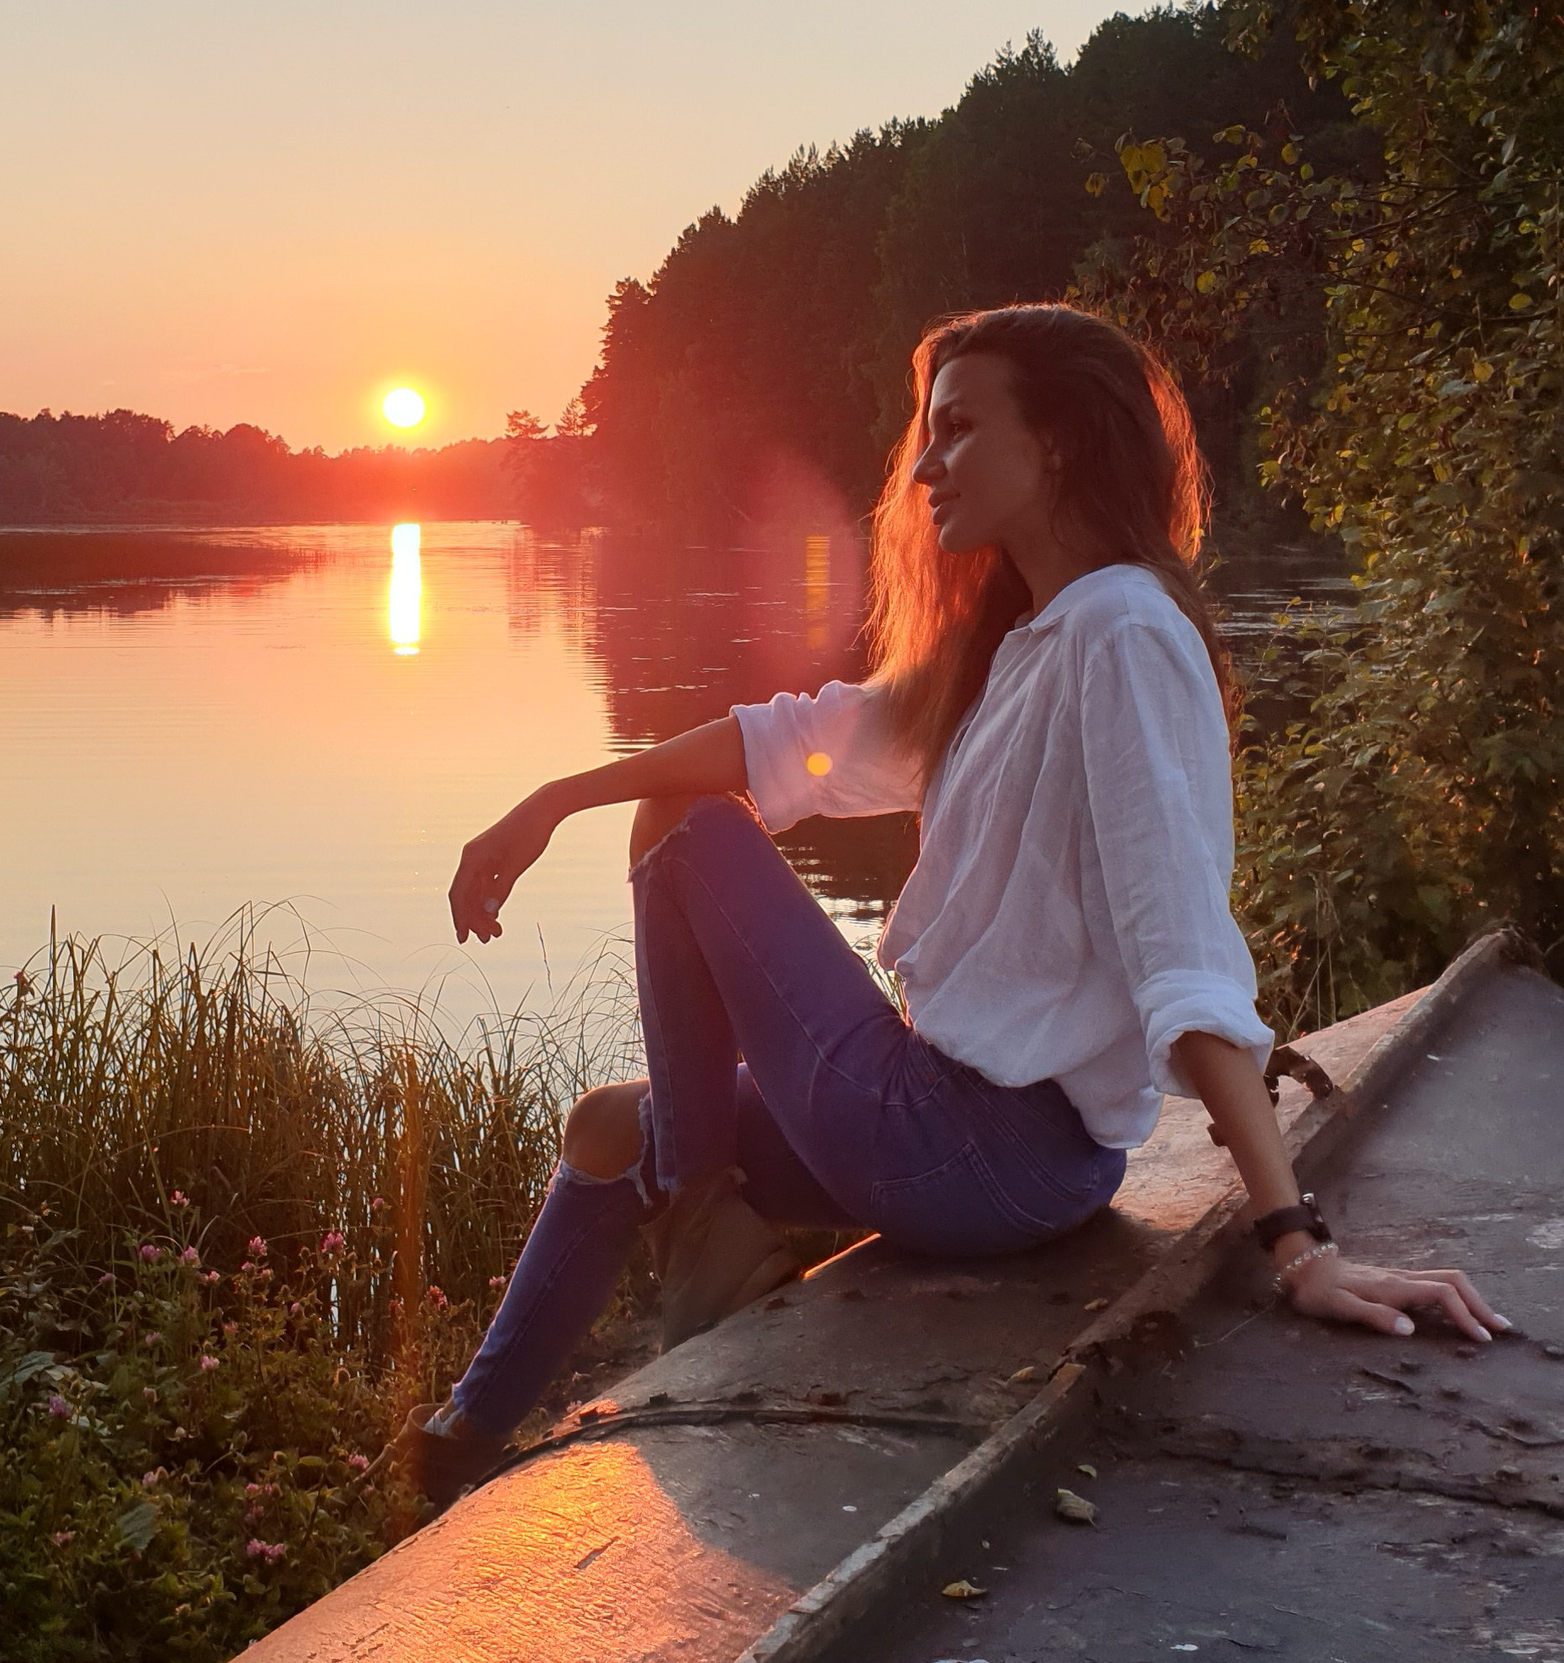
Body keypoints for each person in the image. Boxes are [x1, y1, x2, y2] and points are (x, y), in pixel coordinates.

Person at [398, 303, 1503, 1508]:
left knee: (681, 828)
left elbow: (1177, 948)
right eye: (928, 436)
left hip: (968, 1143)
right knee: (614, 1127)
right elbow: (801, 739)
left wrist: (1298, 1242)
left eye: (961, 428)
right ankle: (457, 1444)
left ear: (1064, 442)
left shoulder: (1122, 633)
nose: (924, 465)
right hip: (1011, 1162)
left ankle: (705, 1221)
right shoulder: (1025, 642)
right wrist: (555, 791)